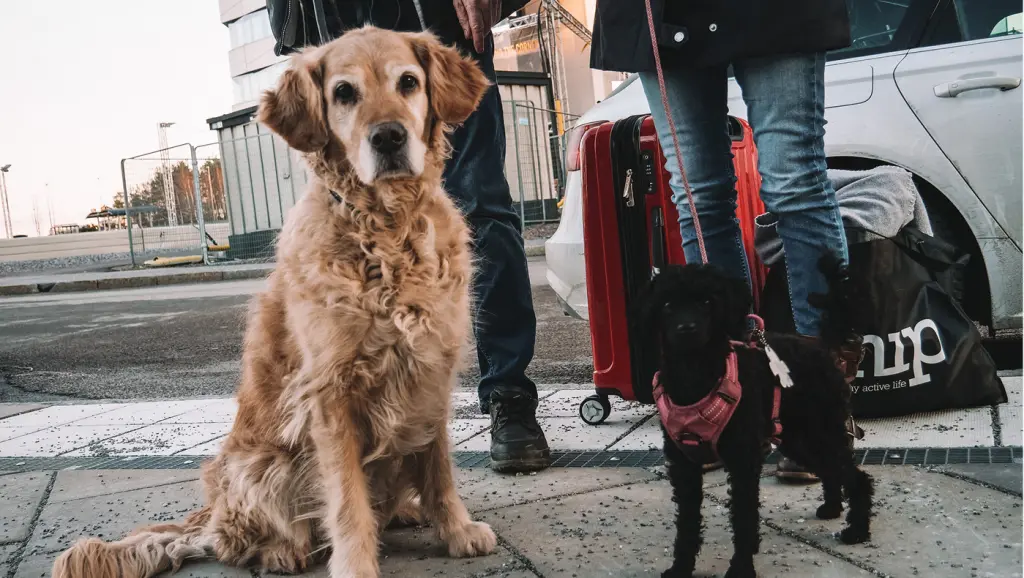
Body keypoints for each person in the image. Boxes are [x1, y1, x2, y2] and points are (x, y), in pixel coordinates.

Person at [590, 0, 861, 481]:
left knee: (793, 179)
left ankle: (819, 400)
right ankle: (734, 392)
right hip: (664, 12)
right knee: (698, 195)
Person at [284, 0, 552, 473]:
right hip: (330, 15)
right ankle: (358, 419)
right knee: (343, 221)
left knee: (483, 207)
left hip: (441, 15)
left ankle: (508, 394)